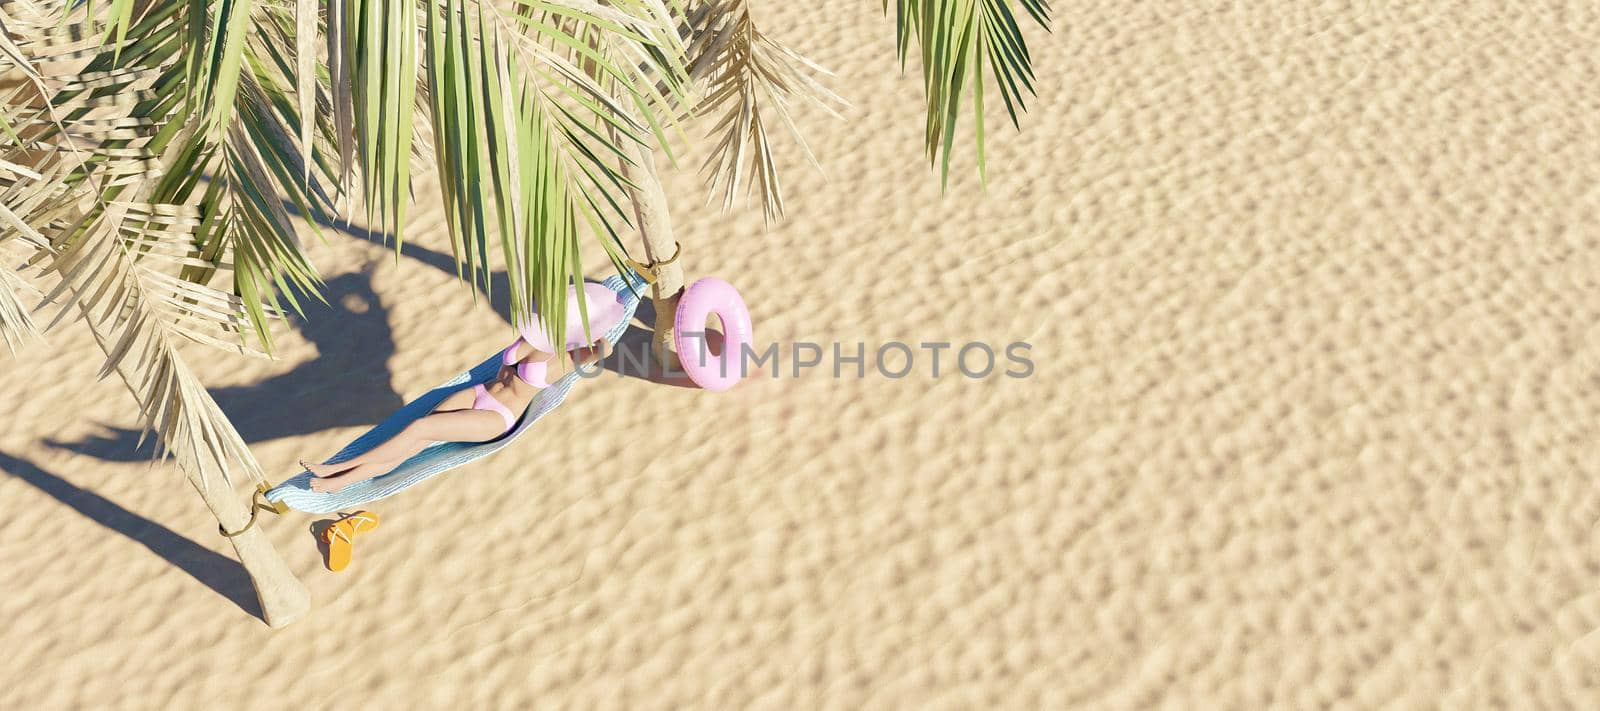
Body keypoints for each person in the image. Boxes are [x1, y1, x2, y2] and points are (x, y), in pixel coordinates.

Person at [300, 314, 615, 493]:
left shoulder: (568, 355)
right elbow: (519, 345)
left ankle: (338, 467)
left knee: (420, 428)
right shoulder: (537, 332)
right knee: (415, 441)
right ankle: (339, 483)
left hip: (498, 417)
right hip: (480, 392)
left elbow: (606, 351)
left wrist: (596, 329)